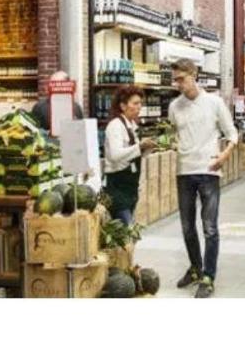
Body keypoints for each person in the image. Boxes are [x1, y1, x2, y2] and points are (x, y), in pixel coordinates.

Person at [168, 59, 238, 298]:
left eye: (182, 79)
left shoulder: (214, 102)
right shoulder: (174, 107)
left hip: (209, 170)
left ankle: (209, 276)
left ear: (194, 75)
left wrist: (224, 156)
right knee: (187, 227)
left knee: (209, 227)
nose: (178, 84)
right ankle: (196, 268)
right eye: (175, 79)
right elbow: (173, 133)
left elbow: (232, 134)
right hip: (184, 171)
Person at [102, 85, 157, 225]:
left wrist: (148, 149)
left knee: (125, 229)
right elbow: (114, 155)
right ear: (123, 106)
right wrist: (139, 146)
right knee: (126, 228)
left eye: (140, 103)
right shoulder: (115, 125)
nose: (139, 107)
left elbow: (134, 154)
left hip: (131, 187)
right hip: (117, 186)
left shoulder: (132, 125)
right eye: (135, 103)